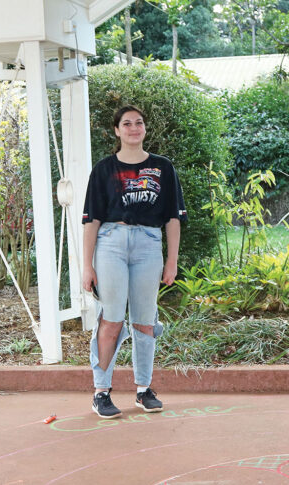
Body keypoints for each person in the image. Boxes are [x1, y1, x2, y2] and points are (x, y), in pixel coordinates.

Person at [81, 105, 186, 419]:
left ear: (144, 129)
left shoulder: (162, 168)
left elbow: (173, 219)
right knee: (111, 318)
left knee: (144, 319)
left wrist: (172, 260)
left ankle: (143, 390)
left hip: (149, 245)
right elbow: (91, 220)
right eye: (126, 123)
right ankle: (102, 391)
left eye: (138, 123)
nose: (133, 128)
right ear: (117, 131)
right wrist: (87, 265)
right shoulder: (103, 169)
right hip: (111, 243)